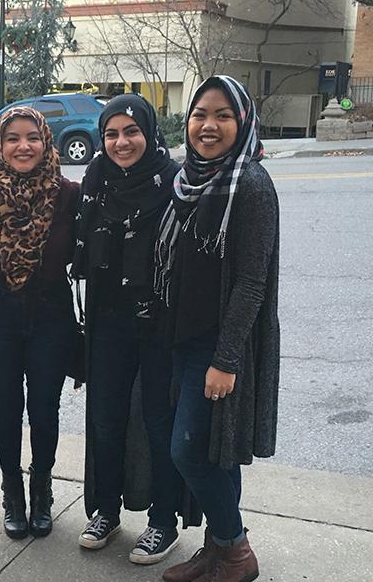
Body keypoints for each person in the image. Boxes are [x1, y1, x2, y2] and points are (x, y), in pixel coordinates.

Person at [156, 75, 279, 582]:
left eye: (222, 116)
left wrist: (225, 360)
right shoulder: (188, 180)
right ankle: (216, 547)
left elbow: (252, 282)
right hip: (186, 339)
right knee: (215, 451)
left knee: (187, 449)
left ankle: (236, 551)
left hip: (222, 345)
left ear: (242, 121)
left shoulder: (250, 185)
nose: (208, 126)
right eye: (199, 115)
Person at [71, 93, 186, 564]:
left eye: (131, 131)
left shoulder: (176, 182)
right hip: (107, 318)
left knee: (158, 421)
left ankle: (163, 521)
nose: (121, 142)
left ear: (149, 131)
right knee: (105, 417)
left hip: (161, 322)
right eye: (111, 133)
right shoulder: (96, 179)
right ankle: (106, 510)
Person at [0, 106, 79, 539]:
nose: (23, 146)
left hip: (51, 310)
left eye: (32, 137)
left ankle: (42, 488)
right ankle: (12, 491)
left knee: (45, 408)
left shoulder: (69, 193)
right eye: (12, 137)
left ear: (46, 142)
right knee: (6, 407)